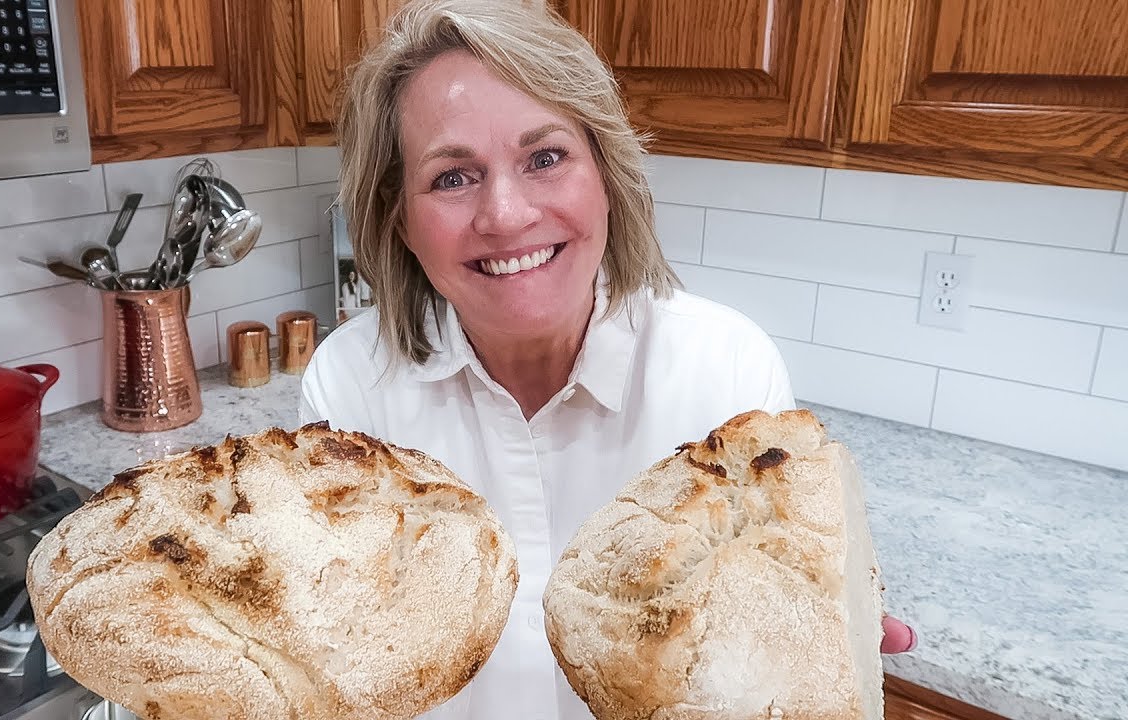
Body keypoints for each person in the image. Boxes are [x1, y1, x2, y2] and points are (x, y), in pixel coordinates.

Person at [299, 1, 918, 718]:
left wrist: (810, 631)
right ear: (400, 218)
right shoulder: (351, 389)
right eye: (452, 177)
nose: (505, 214)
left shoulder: (723, 374)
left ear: (606, 174)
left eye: (545, 157)